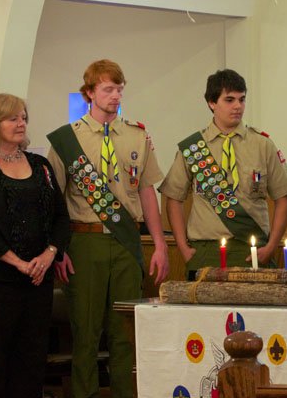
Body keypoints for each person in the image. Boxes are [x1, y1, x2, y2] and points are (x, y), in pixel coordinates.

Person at [47, 59, 169, 398]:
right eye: (107, 89)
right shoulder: (66, 140)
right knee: (85, 333)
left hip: (127, 242)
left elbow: (147, 192)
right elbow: (54, 200)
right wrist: (57, 250)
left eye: (119, 89)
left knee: (124, 333)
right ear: (89, 93)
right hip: (84, 242)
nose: (115, 96)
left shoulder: (137, 135)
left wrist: (159, 245)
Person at [0, 93, 71, 398]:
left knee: (31, 363)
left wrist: (49, 255)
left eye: (23, 117)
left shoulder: (41, 165)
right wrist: (19, 263)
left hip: (37, 281)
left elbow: (61, 217)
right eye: (13, 118)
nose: (21, 123)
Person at [159, 68, 287, 278]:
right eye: (230, 99)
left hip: (251, 249)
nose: (238, 106)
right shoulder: (194, 147)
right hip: (205, 251)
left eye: (242, 99)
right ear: (212, 103)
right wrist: (183, 248)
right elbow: (173, 198)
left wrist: (271, 247)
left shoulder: (262, 144)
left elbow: (284, 198)